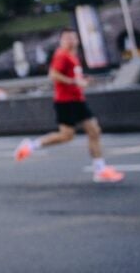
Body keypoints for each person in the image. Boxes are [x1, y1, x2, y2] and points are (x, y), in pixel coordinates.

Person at [14, 28, 124, 182]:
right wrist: (74, 81)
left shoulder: (73, 56)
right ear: (61, 41)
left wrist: (83, 80)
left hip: (77, 100)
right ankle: (30, 146)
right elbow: (53, 74)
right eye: (67, 38)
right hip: (66, 101)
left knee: (94, 131)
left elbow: (73, 76)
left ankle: (100, 169)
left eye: (73, 38)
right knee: (66, 136)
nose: (70, 41)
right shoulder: (62, 55)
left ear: (77, 40)